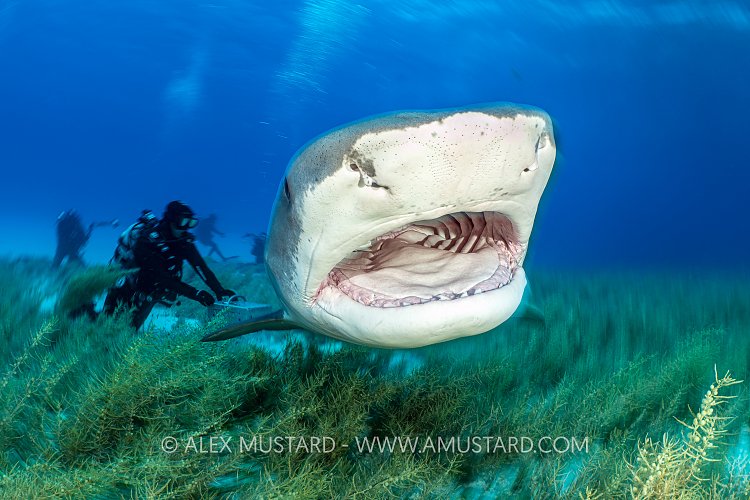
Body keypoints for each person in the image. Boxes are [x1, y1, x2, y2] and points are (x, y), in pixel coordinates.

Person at [103, 201, 235, 329]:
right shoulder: (147, 240)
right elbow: (159, 278)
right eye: (183, 222)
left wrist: (219, 290)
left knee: (130, 329)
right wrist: (195, 293)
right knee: (106, 323)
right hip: (126, 283)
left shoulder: (182, 240)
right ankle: (86, 312)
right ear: (171, 220)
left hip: (150, 291)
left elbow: (201, 267)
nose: (186, 228)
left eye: (191, 223)